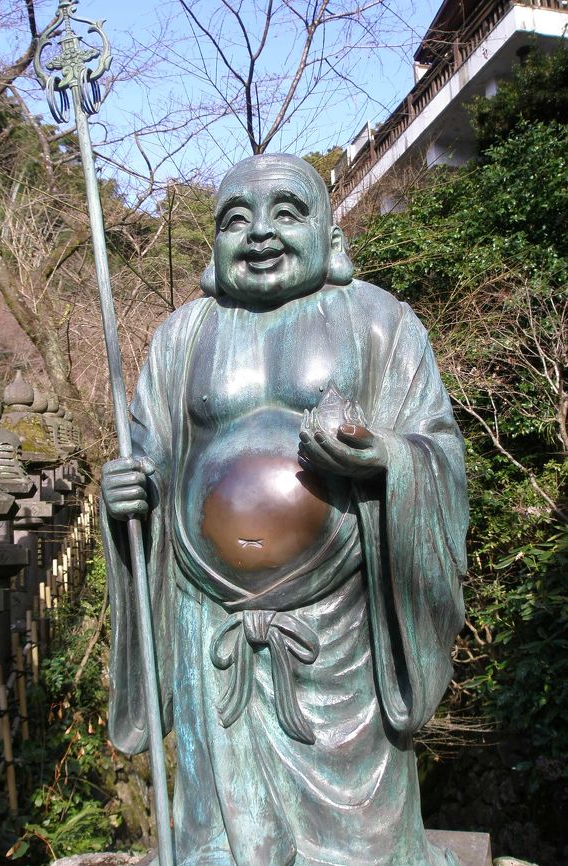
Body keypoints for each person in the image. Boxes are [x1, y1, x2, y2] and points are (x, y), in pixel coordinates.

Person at [101, 154, 467, 866]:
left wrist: (385, 457)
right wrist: (128, 494)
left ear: (331, 236)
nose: (260, 233)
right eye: (236, 219)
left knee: (359, 844)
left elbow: (437, 450)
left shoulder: (381, 322)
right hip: (210, 618)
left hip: (343, 625)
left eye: (287, 213)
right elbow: (148, 453)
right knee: (223, 837)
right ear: (213, 246)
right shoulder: (181, 336)